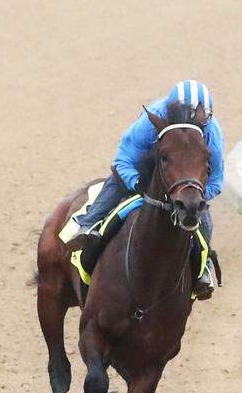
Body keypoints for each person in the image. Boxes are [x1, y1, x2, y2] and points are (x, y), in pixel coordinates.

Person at [61, 79, 224, 299]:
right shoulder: (151, 121)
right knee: (115, 184)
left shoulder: (212, 133)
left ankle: (202, 269)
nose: (199, 122)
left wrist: (191, 193)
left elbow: (216, 181)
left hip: (183, 181)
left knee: (202, 215)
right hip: (141, 167)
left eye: (204, 117)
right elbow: (123, 161)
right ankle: (87, 226)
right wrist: (137, 184)